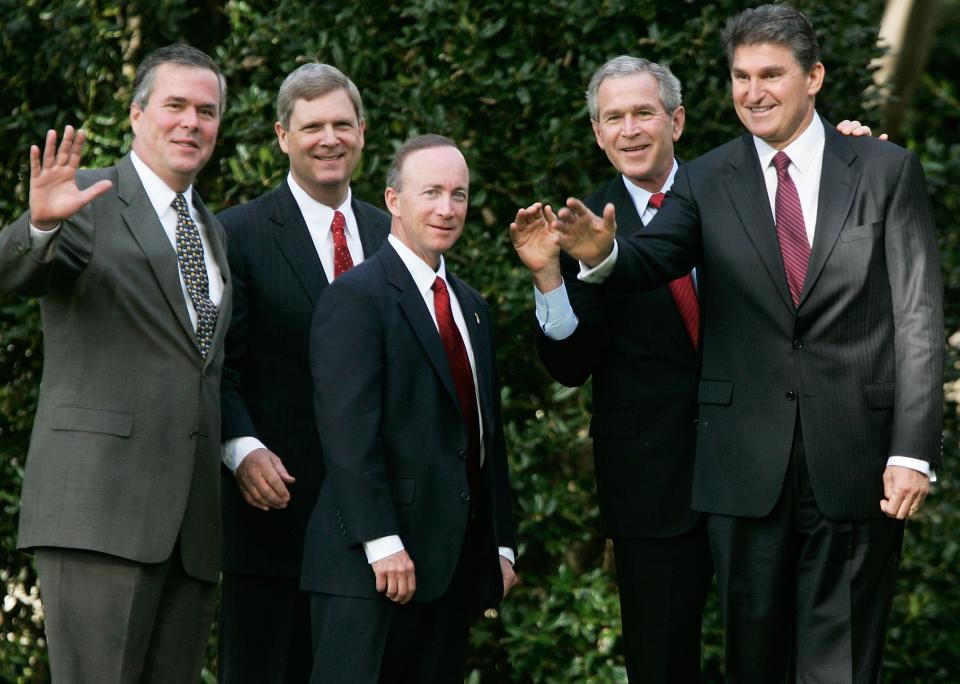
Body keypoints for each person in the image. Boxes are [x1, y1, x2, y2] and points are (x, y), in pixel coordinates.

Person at [541, 5, 942, 682]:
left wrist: (912, 451)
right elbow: (651, 260)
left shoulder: (882, 169)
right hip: (745, 472)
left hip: (854, 460)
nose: (752, 91)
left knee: (841, 666)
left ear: (813, 77)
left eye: (770, 74)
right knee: (753, 663)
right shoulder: (707, 178)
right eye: (739, 76)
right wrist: (601, 254)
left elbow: (917, 317)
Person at [0, 44, 230, 681]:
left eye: (206, 111)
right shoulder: (86, 198)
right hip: (99, 512)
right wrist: (39, 228)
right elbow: (8, 273)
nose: (190, 123)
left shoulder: (211, 230)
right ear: (136, 115)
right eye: (175, 105)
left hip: (189, 528)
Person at [511, 56, 710, 682]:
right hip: (649, 477)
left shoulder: (733, 190)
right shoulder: (579, 224)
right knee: (660, 659)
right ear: (598, 133)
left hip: (758, 463)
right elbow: (573, 365)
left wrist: (848, 149)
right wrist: (548, 277)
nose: (630, 129)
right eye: (613, 117)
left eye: (644, 112)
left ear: (675, 120)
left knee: (774, 644)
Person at [302, 134, 518, 683]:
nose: (447, 209)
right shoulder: (356, 296)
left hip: (447, 570)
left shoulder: (470, 307)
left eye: (459, 195)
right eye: (432, 193)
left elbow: (485, 435)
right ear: (394, 201)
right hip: (369, 568)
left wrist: (500, 543)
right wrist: (381, 541)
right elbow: (347, 433)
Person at [216, 63, 390, 683]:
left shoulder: (392, 231)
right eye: (312, 126)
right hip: (273, 517)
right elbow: (216, 367)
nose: (329, 138)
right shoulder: (235, 232)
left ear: (363, 133)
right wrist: (241, 449)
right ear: (282, 136)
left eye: (342, 124)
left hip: (378, 529)